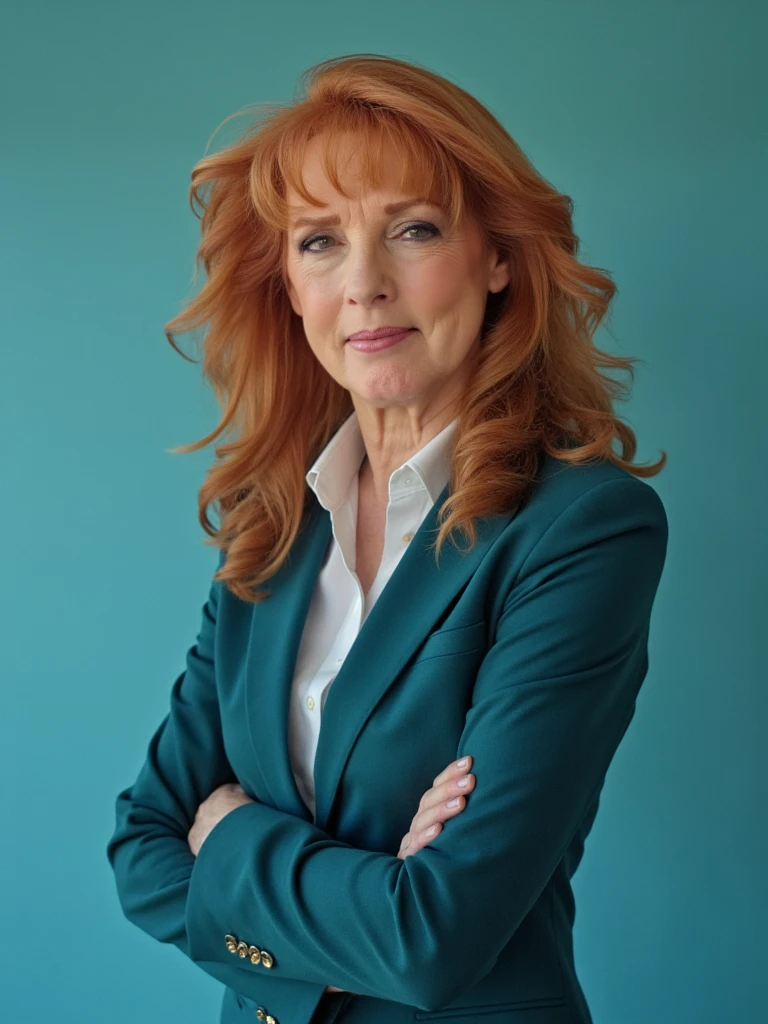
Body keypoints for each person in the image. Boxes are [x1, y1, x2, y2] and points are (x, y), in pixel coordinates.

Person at [106, 53, 668, 1024]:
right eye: (320, 241)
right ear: (286, 284)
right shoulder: (272, 529)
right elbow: (142, 849)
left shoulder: (581, 530)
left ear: (498, 257)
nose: (364, 284)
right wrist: (361, 905)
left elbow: (433, 936)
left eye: (412, 229)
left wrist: (231, 834)